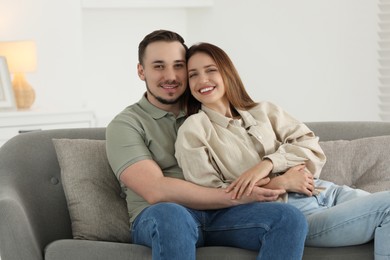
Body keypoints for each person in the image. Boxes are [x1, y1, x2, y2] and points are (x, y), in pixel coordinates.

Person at [174, 42, 390, 260]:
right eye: (193, 75)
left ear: (227, 71)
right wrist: (281, 183)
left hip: (328, 192)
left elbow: (309, 146)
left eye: (211, 70)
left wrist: (267, 165)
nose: (202, 80)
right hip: (297, 212)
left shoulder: (264, 111)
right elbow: (214, 196)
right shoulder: (193, 130)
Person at [106, 30, 309, 260]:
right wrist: (236, 197)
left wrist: (271, 172)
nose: (170, 76)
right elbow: (156, 190)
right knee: (171, 213)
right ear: (141, 71)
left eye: (178, 65)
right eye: (159, 66)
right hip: (163, 216)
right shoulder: (126, 125)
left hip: (222, 215)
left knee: (288, 217)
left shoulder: (208, 108)